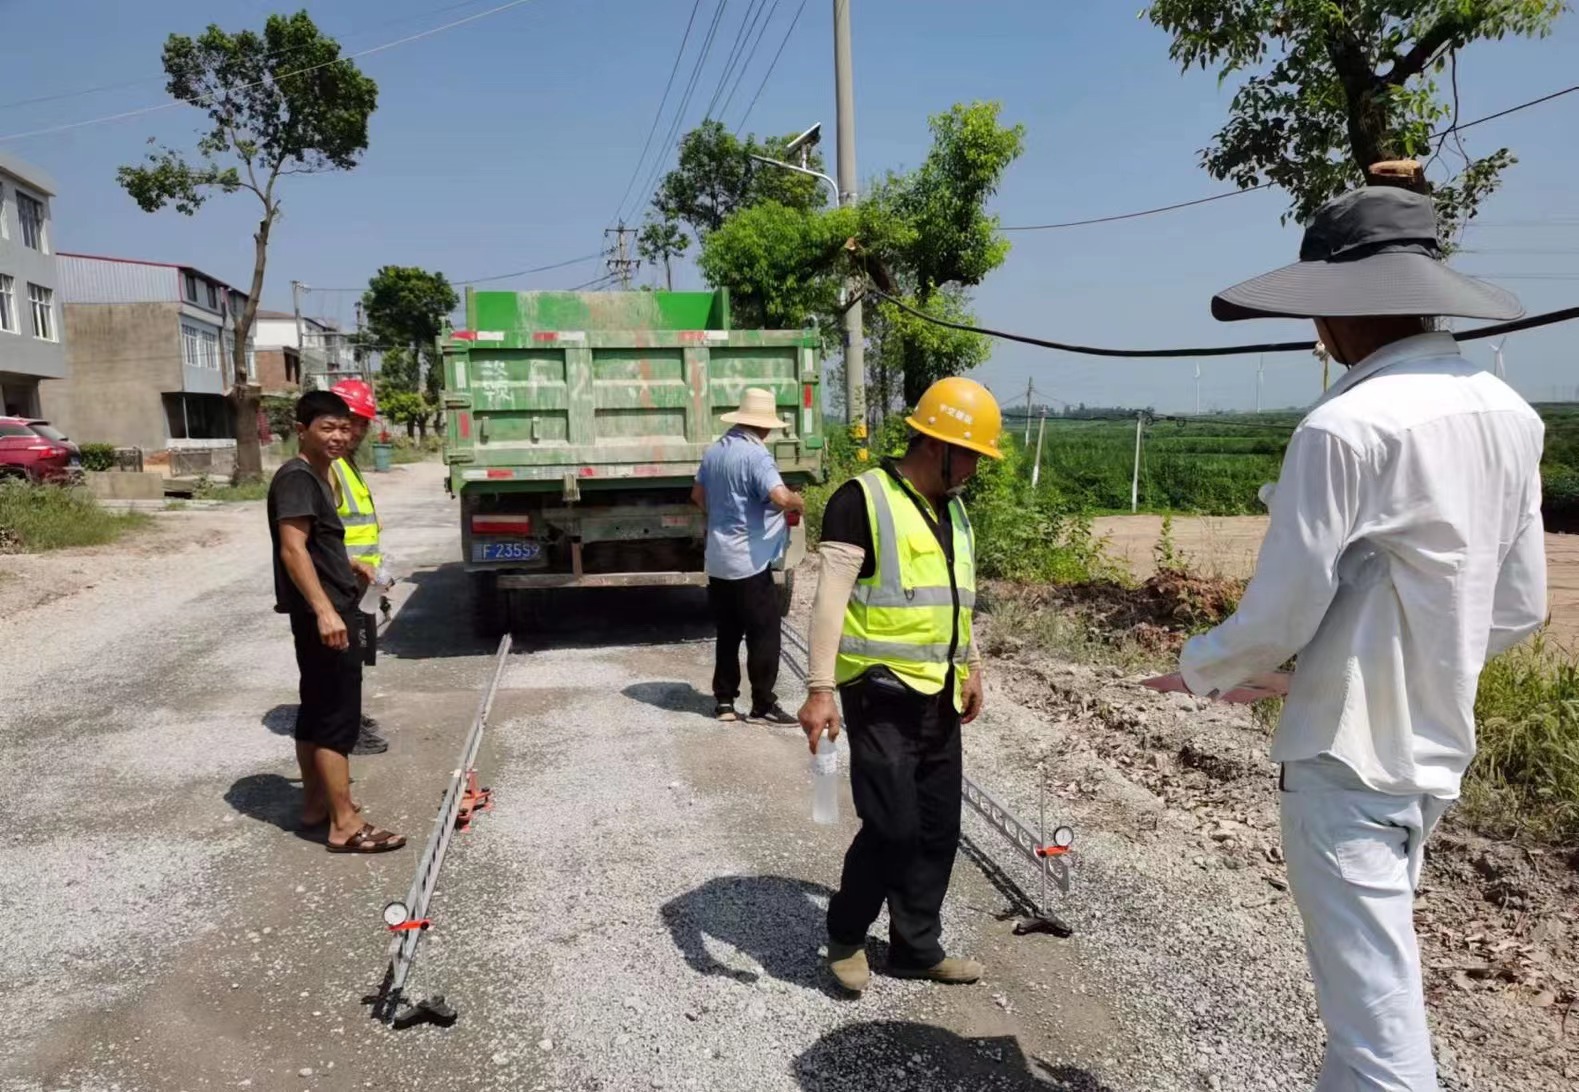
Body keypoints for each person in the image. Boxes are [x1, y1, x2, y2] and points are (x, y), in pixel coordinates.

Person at [1148, 184, 1546, 1089]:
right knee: (1366, 990)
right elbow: (1518, 609)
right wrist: (1387, 670)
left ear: (1328, 312)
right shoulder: (1509, 416)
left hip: (1344, 765)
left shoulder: (1342, 428)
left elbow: (1282, 614)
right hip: (1433, 752)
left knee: (1376, 1028)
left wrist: (1202, 667)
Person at [797, 376, 1000, 995]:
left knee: (939, 828)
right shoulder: (862, 499)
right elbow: (827, 603)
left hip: (938, 692)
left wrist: (971, 664)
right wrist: (819, 688)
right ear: (936, 444)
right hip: (878, 693)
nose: (974, 469)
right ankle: (846, 935)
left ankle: (916, 946)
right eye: (970, 455)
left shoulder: (954, 510)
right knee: (893, 828)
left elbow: (955, 600)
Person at [268, 390, 406, 855]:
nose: (338, 437)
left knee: (314, 712)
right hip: (326, 615)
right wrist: (326, 610)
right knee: (336, 717)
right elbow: (293, 548)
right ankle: (345, 824)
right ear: (302, 431)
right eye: (326, 428)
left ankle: (314, 807)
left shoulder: (319, 476)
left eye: (344, 428)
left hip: (330, 604)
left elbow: (317, 545)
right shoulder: (298, 479)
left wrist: (350, 565)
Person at [691, 387, 806, 725]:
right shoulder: (757, 457)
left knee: (727, 632)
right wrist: (798, 501)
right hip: (749, 562)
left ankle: (724, 702)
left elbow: (697, 495)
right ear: (765, 427)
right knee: (764, 632)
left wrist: (723, 517)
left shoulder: (714, 452)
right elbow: (779, 497)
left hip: (718, 560)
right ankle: (763, 704)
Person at [328, 378, 388, 756]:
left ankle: (351, 717)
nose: (357, 431)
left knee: (354, 660)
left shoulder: (346, 464)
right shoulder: (328, 467)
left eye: (363, 423)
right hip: (337, 582)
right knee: (340, 663)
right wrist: (354, 566)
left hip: (356, 582)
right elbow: (320, 535)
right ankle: (344, 730)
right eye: (351, 421)